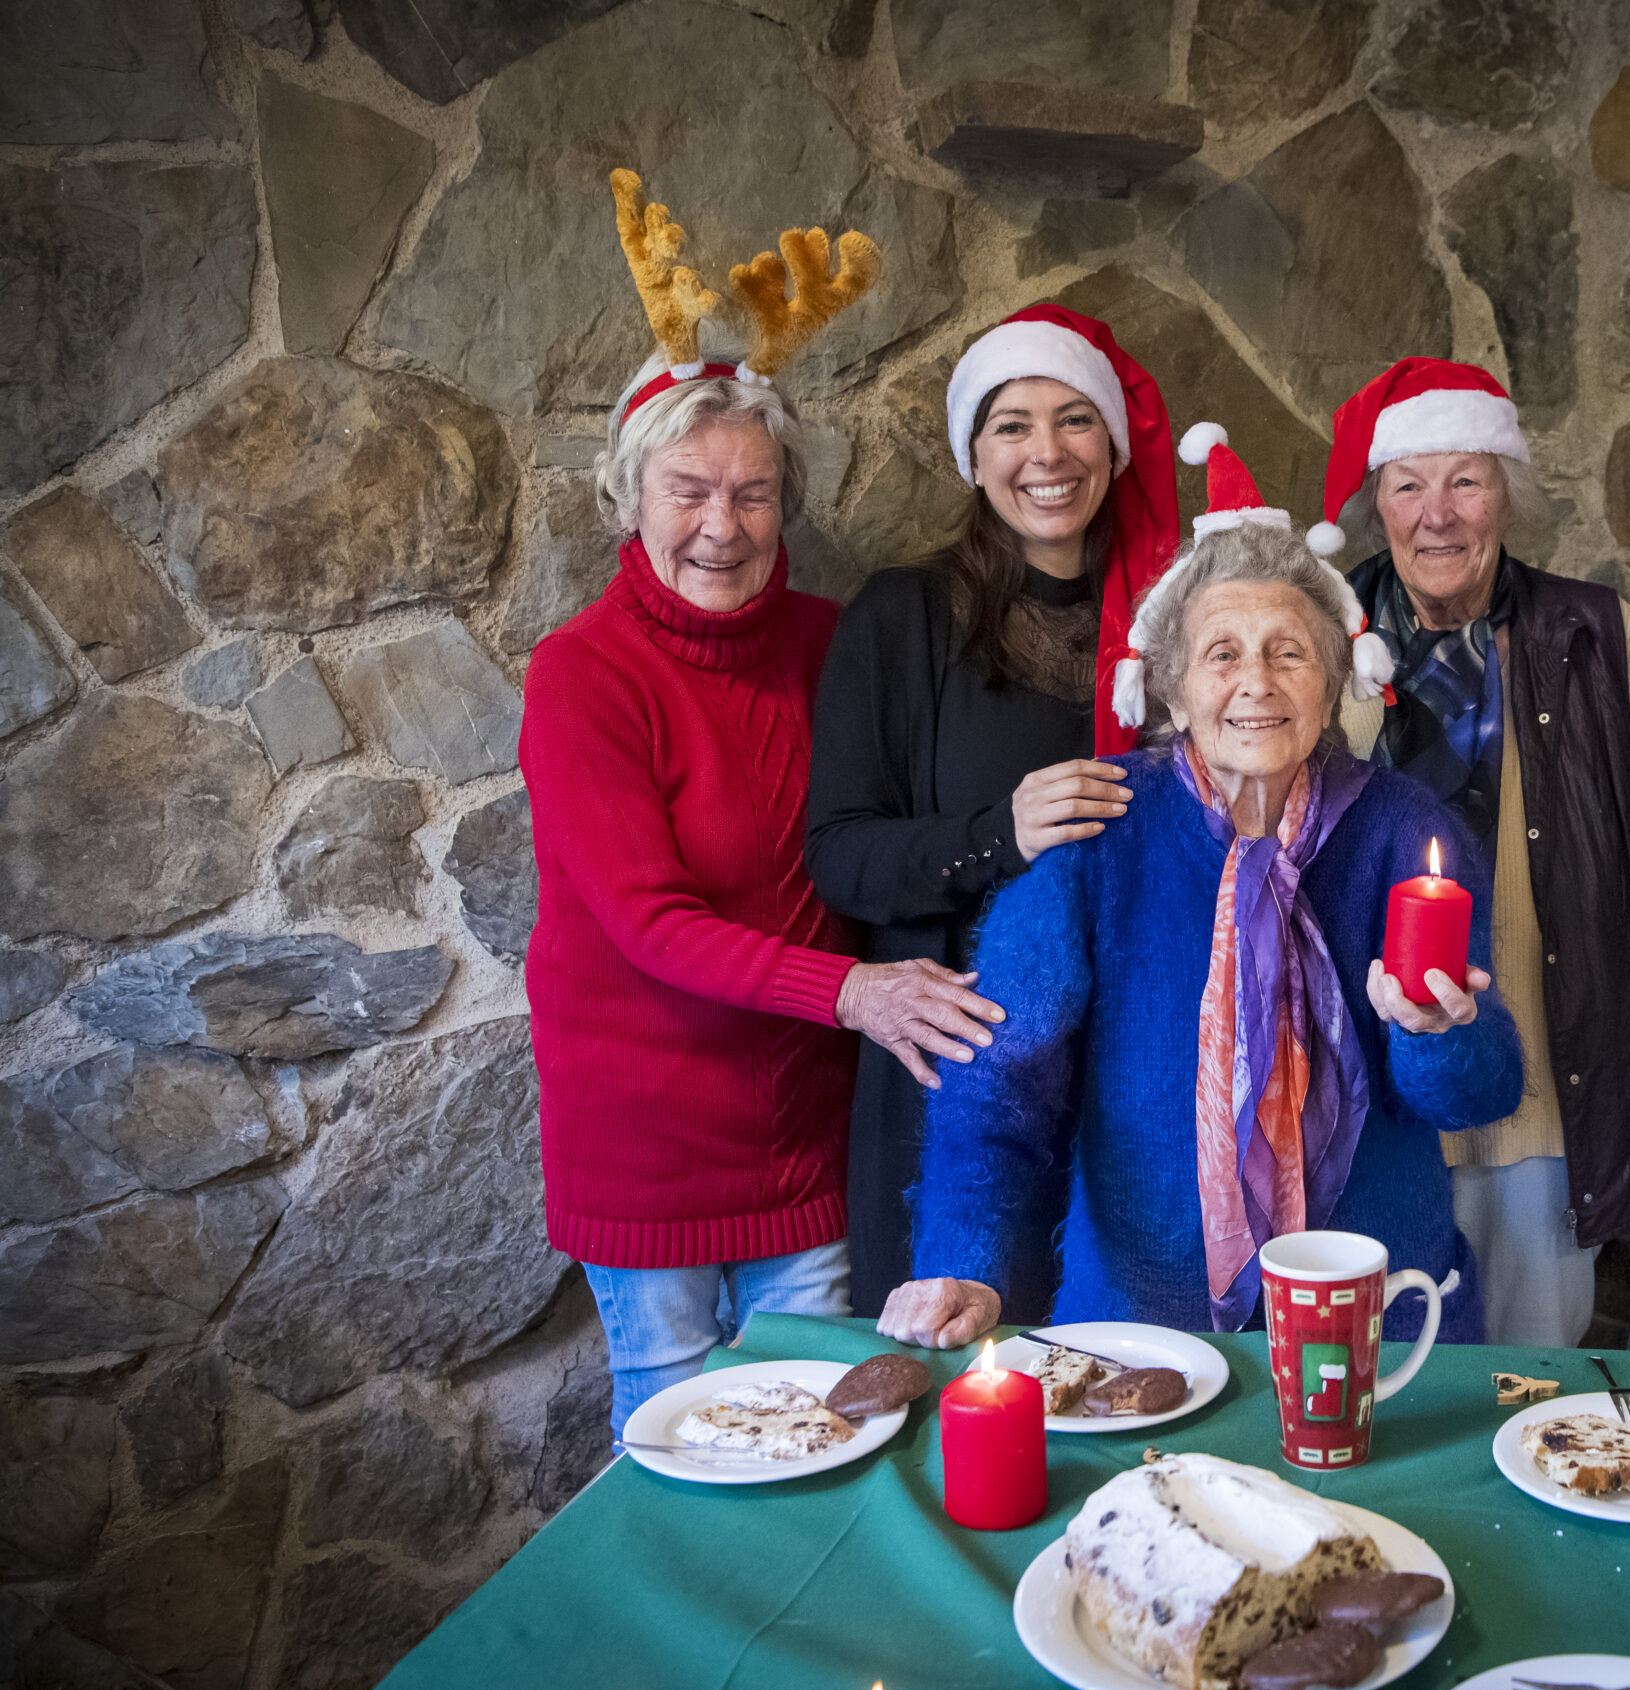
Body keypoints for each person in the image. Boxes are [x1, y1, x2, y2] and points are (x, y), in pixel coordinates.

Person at [524, 172, 1001, 1434]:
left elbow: (878, 840)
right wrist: (856, 993)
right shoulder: (583, 675)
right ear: (631, 496)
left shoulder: (828, 644)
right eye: (688, 491)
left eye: (750, 493)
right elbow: (645, 921)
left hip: (809, 1142)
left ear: (786, 499)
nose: (721, 528)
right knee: (683, 1464)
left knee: (831, 1432)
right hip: (650, 1151)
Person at [876, 428, 1523, 1350]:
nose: (1254, 683)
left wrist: (1437, 1037)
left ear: (1336, 678)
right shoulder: (1097, 835)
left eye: (1288, 652)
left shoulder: (1406, 835)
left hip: (1379, 1332)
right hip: (1142, 1342)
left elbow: (1479, 1093)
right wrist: (960, 1257)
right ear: (1173, 688)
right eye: (1222, 653)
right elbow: (998, 1080)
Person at [804, 307, 1181, 1316]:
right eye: (1012, 425)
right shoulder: (902, 616)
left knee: (1126, 1368)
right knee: (962, 1376)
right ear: (973, 454)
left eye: (1074, 420)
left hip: (1133, 1071)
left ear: (1112, 443)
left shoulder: (1172, 623)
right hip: (963, 1073)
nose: (1046, 453)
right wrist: (994, 835)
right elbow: (839, 856)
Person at [1310, 359, 1630, 1348]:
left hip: (1538, 1096)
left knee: (1523, 1376)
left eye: (1466, 481)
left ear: (1506, 497)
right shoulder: (1314, 637)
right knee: (1373, 1382)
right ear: (1375, 505)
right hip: (1359, 1094)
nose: (1436, 515)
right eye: (1407, 485)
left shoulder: (1596, 637)